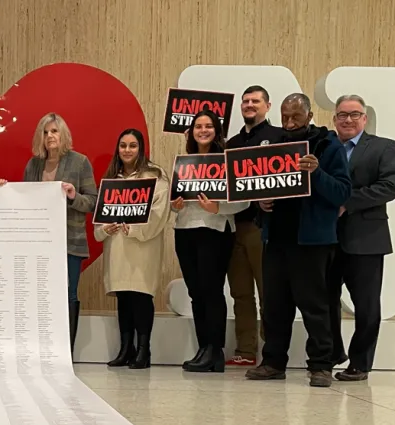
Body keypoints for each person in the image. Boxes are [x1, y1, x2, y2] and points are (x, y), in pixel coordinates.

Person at [247, 93, 351, 388]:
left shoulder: (328, 146)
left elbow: (343, 193)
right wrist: (261, 203)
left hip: (312, 242)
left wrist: (316, 173)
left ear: (309, 116)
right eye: (285, 117)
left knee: (315, 306)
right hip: (276, 238)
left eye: (296, 117)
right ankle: (273, 362)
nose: (290, 123)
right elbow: (259, 186)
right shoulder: (273, 147)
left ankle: (320, 365)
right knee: (274, 306)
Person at [329, 94, 395, 381]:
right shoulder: (324, 147)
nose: (348, 119)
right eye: (342, 115)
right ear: (334, 119)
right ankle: (333, 352)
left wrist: (347, 201)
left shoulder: (383, 147)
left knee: (367, 305)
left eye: (354, 114)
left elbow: (390, 186)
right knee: (323, 300)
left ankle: (360, 363)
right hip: (327, 238)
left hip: (367, 238)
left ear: (365, 118)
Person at [171, 110, 248, 373]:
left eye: (208, 126)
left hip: (215, 229)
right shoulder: (184, 162)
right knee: (195, 293)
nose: (203, 130)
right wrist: (174, 204)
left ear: (217, 131)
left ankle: (215, 349)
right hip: (185, 229)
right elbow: (175, 199)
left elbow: (244, 200)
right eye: (198, 126)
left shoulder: (227, 161)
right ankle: (205, 350)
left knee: (211, 291)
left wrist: (218, 208)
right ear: (191, 132)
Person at [94, 129, 171, 369]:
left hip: (143, 246)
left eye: (133, 145)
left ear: (141, 148)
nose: (127, 150)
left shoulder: (156, 177)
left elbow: (159, 214)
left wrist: (135, 230)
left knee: (140, 296)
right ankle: (125, 348)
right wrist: (104, 230)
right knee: (124, 298)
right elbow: (99, 219)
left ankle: (143, 350)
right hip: (117, 246)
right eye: (123, 145)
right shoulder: (112, 180)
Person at [22, 113, 97, 351]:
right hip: (38, 244)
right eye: (45, 132)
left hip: (69, 242)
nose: (50, 136)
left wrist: (74, 196)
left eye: (54, 131)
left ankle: (66, 351)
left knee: (67, 294)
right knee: (38, 296)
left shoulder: (80, 162)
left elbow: (93, 202)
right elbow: (23, 199)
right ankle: (40, 348)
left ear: (63, 134)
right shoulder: (33, 165)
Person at [225, 85, 284, 366]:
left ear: (267, 106)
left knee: (267, 292)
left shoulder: (279, 138)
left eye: (256, 101)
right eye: (245, 101)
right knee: (240, 293)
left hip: (263, 228)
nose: (249, 105)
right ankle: (246, 350)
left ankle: (272, 352)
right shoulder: (232, 144)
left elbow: (287, 182)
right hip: (232, 226)